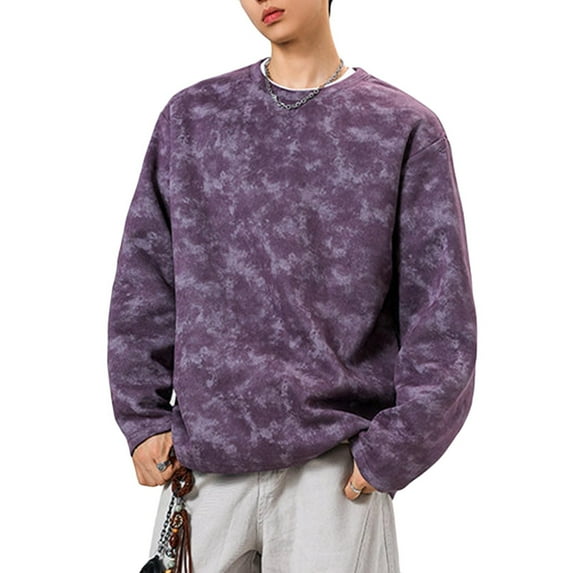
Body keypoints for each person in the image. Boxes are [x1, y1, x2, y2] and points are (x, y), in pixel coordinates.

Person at [107, 0, 477, 571]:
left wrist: (393, 451)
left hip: (334, 477)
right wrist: (143, 420)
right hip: (203, 474)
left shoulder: (400, 128)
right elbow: (145, 275)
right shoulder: (193, 118)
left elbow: (442, 318)